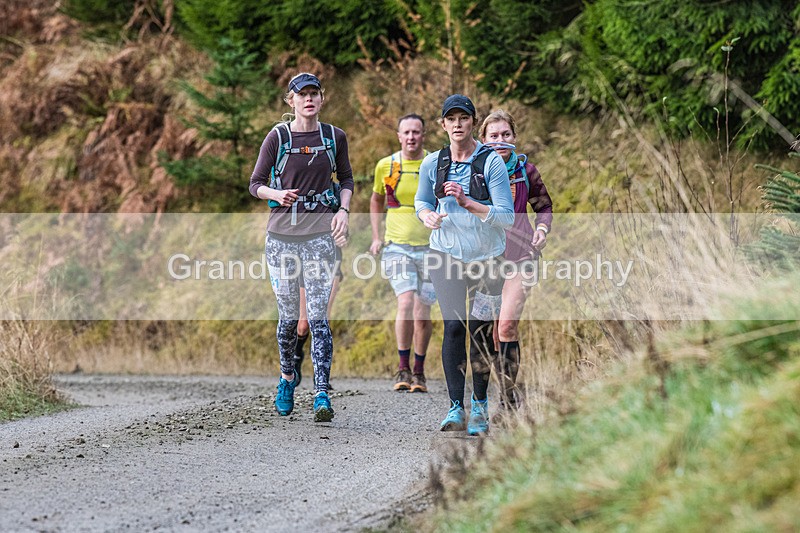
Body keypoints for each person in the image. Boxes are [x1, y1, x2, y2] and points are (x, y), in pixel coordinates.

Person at [249, 72, 353, 422]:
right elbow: (255, 184)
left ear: (322, 99)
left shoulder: (333, 137)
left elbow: (347, 179)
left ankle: (322, 393)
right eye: (301, 94)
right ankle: (287, 377)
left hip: (320, 236)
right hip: (281, 239)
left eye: (314, 94)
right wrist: (276, 194)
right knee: (289, 320)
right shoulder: (278, 136)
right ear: (290, 100)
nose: (308, 99)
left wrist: (344, 210)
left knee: (319, 318)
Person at [415, 94, 514, 435]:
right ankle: (456, 408)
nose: (457, 124)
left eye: (464, 118)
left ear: (473, 122)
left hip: (488, 259)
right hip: (445, 255)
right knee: (455, 327)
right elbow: (421, 200)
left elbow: (507, 217)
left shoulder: (491, 162)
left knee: (481, 332)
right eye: (451, 119)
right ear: (443, 124)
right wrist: (426, 214)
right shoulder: (432, 162)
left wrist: (467, 201)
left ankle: (480, 406)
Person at [478, 110, 553, 417]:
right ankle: (508, 391)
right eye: (493, 136)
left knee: (507, 325)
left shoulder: (526, 170)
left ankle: (507, 398)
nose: (500, 141)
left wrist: (542, 228)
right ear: (483, 140)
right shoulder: (474, 171)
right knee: (492, 332)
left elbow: (544, 206)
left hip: (521, 256)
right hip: (485, 260)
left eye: (505, 135)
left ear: (514, 137)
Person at [370, 114, 435, 393]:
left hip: (433, 247)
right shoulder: (386, 165)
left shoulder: (434, 163)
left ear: (423, 135)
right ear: (398, 136)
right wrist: (376, 237)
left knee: (423, 311)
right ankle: (402, 367)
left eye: (416, 132)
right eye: (406, 132)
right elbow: (376, 200)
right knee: (406, 302)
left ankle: (419, 372)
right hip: (396, 245)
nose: (411, 137)